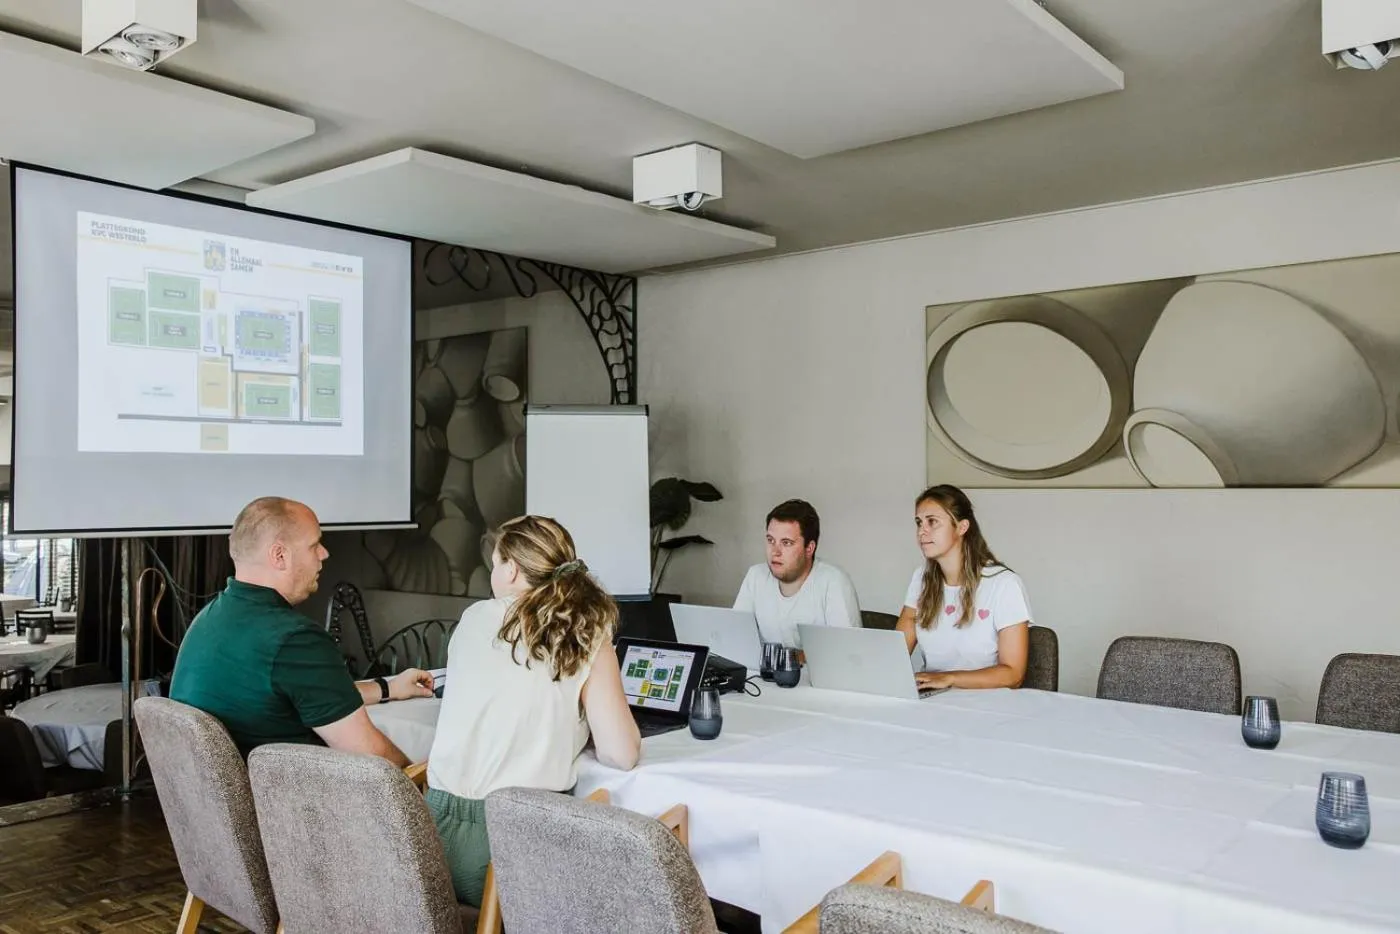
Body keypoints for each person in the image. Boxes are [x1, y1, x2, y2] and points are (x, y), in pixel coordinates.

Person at [426, 515, 640, 907]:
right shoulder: (584, 631)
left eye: (494, 565)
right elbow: (621, 754)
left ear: (512, 569)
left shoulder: (473, 618)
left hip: (431, 841)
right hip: (516, 847)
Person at [169, 496, 433, 763]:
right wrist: (422, 785)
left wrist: (388, 688)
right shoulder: (295, 640)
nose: (325, 554)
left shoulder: (209, 620)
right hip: (291, 799)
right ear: (280, 555)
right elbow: (375, 762)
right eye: (314, 545)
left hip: (225, 799)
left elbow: (305, 695)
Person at [895, 485, 1031, 691]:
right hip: (934, 700)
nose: (922, 530)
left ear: (961, 527)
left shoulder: (1004, 584)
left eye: (932, 521)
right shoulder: (920, 578)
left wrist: (949, 678)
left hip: (988, 705)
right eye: (919, 522)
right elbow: (895, 652)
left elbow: (1013, 674)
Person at [733, 498, 861, 649]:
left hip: (816, 673)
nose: (775, 552)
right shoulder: (755, 576)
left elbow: (847, 652)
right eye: (771, 540)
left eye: (786, 543)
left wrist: (789, 658)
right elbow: (735, 637)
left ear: (809, 548)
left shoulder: (833, 582)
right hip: (760, 672)